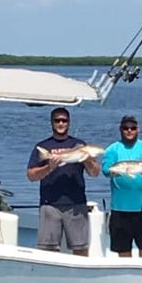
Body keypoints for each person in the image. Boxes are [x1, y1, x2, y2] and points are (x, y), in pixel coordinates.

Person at [27, 107, 100, 256]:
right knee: (47, 250)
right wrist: (49, 167)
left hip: (76, 204)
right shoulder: (43, 147)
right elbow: (31, 176)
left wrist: (87, 159)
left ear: (69, 122)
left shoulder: (80, 145)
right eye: (57, 120)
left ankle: (81, 278)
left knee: (81, 248)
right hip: (50, 204)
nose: (61, 123)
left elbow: (95, 173)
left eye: (64, 120)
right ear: (52, 123)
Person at [102, 115, 142, 257]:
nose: (129, 131)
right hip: (120, 209)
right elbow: (106, 170)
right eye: (126, 128)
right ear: (120, 129)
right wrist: (114, 172)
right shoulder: (112, 149)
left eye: (132, 128)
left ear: (138, 129)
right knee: (123, 249)